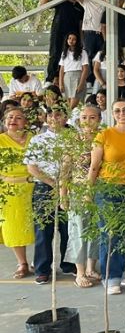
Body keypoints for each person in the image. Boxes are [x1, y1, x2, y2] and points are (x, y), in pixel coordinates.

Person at [88, 99, 125, 294]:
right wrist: (89, 190)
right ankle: (110, 277)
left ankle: (119, 272)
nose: (122, 114)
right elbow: (94, 165)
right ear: (112, 114)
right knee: (109, 233)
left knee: (122, 233)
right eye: (117, 111)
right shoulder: (104, 134)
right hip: (107, 188)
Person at [26, 104, 72, 284]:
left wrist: (63, 185)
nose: (54, 118)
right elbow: (32, 167)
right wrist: (53, 183)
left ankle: (69, 264)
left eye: (58, 115)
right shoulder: (38, 140)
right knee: (43, 230)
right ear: (46, 118)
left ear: (66, 117)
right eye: (50, 115)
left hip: (69, 188)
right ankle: (42, 268)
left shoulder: (73, 138)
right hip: (44, 188)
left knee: (68, 228)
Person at [62, 105, 102, 287]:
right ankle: (79, 272)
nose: (88, 121)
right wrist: (63, 194)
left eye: (92, 117)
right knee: (79, 231)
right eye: (84, 117)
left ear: (99, 120)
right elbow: (65, 170)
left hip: (101, 190)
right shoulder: (73, 141)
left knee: (96, 230)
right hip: (78, 191)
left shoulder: (103, 138)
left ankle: (91, 267)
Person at [0, 107, 35, 279]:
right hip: (9, 190)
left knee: (39, 227)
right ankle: (22, 263)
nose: (13, 120)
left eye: (18, 117)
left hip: (34, 187)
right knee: (14, 226)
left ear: (25, 122)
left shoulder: (35, 139)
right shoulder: (1, 140)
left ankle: (39, 261)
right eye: (10, 117)